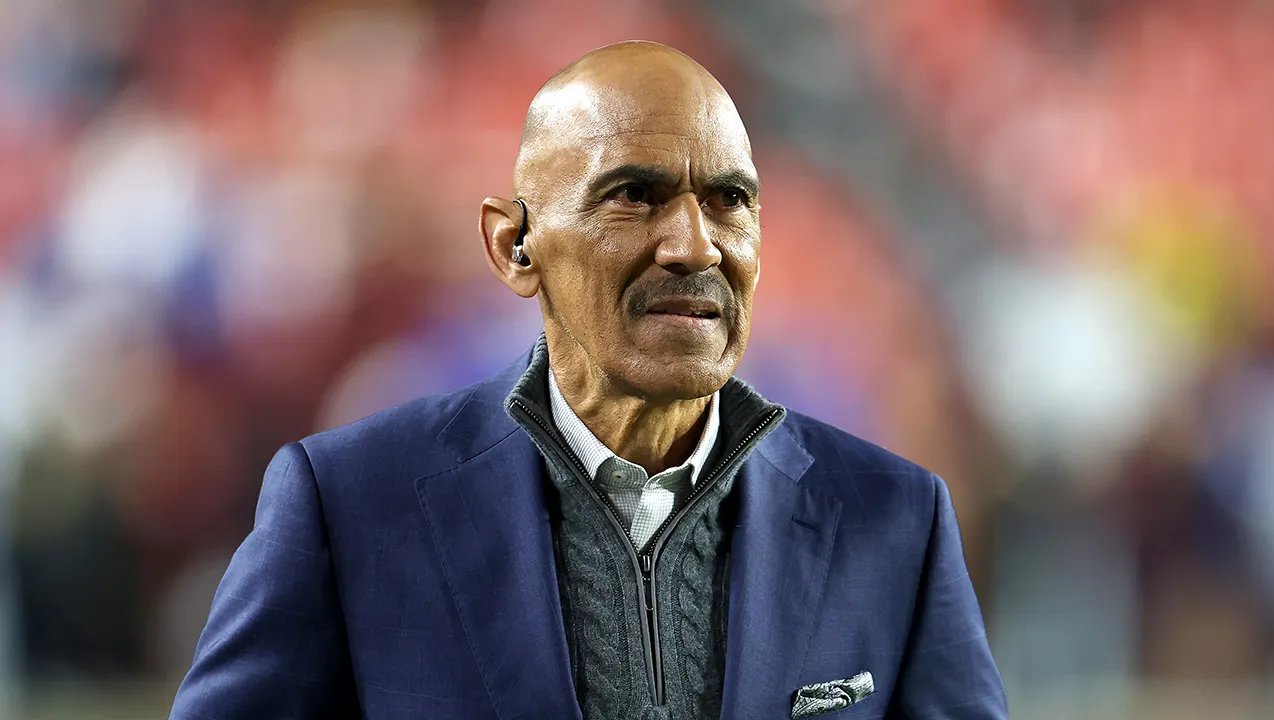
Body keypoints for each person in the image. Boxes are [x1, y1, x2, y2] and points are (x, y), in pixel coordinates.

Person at [170, 41, 1006, 720]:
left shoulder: (895, 519)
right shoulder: (352, 505)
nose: (694, 245)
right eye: (633, 196)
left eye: (729, 200)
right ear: (514, 246)